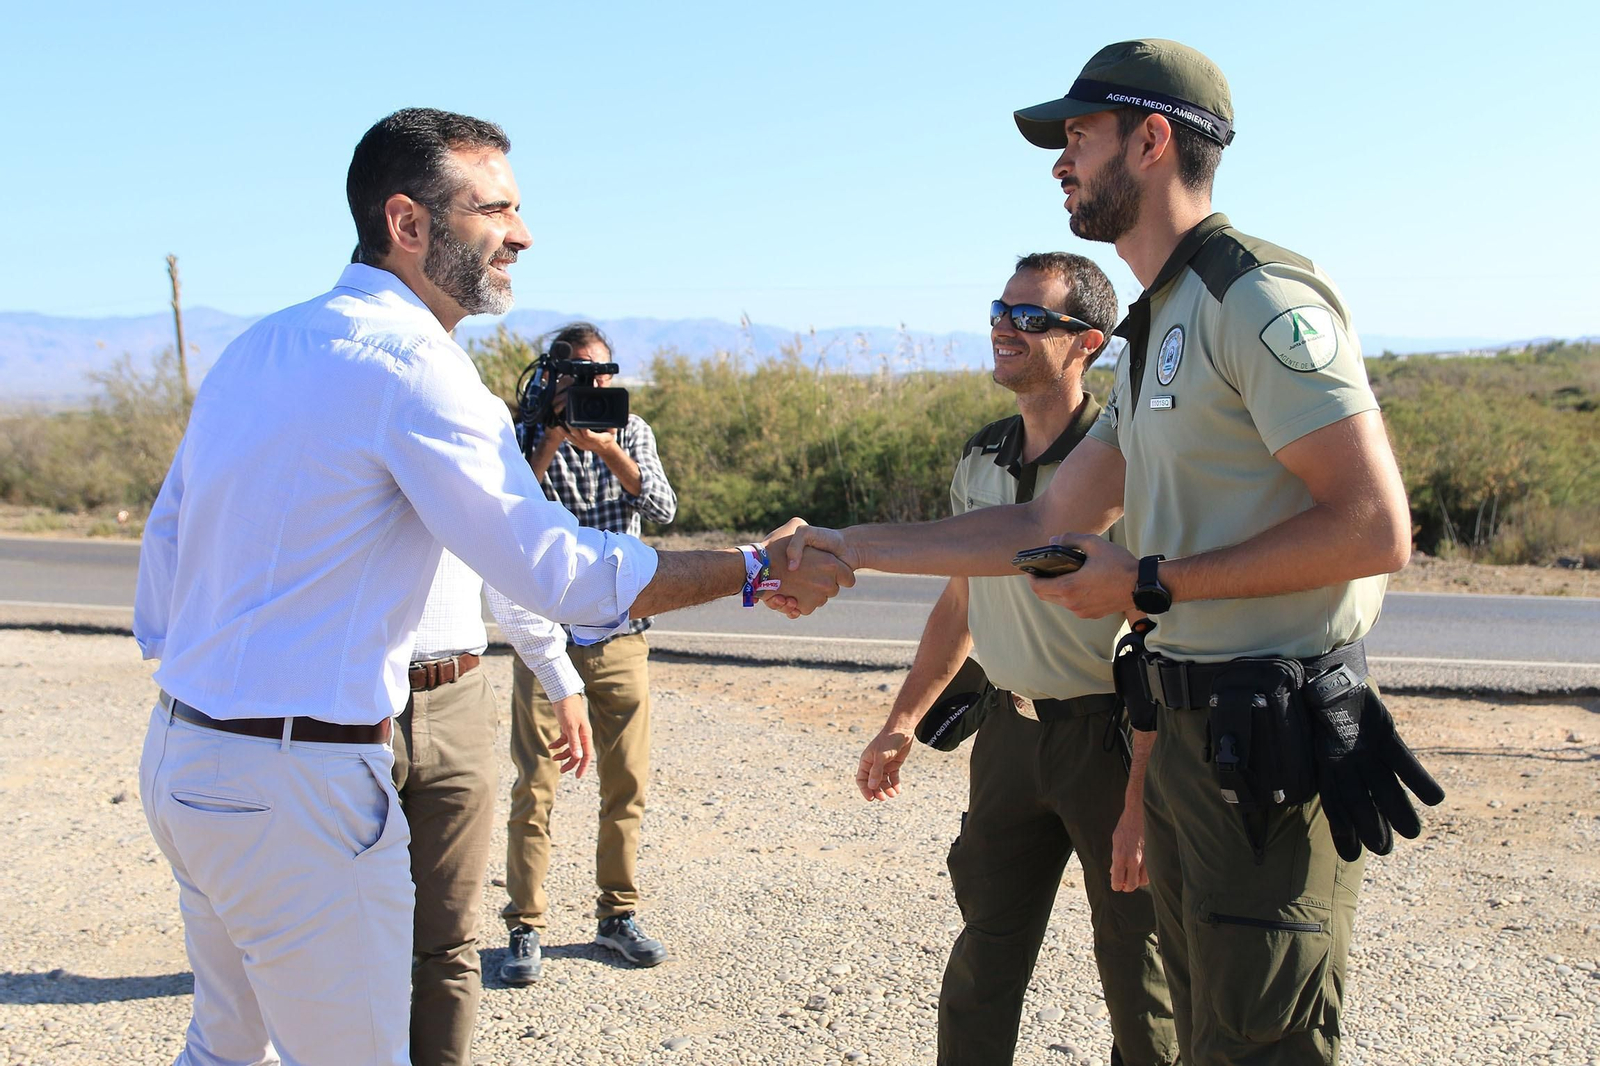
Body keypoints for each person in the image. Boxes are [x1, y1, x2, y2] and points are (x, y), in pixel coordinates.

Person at [133, 106, 851, 1066]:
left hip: (186, 754)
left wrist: (213, 690)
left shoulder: (263, 345)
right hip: (297, 786)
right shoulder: (415, 367)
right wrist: (752, 568)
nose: (523, 234)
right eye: (495, 209)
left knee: (224, 1047)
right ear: (407, 222)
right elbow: (559, 573)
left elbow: (167, 544)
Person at [774, 40, 1442, 1065]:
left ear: (1152, 139)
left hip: (1268, 736)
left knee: (1256, 1039)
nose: (1060, 162)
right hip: (1189, 734)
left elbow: (1373, 527)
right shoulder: (1153, 328)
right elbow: (1040, 524)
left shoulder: (1256, 299)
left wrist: (1150, 582)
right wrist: (846, 546)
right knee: (1195, 1028)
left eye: (1078, 137)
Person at [856, 253, 1178, 1066]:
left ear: (1088, 343)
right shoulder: (982, 456)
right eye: (1001, 311)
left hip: (1110, 741)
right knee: (985, 954)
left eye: (1031, 318)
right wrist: (902, 720)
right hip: (1009, 735)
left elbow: (1161, 631)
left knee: (1138, 966)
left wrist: (1143, 792)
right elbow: (960, 601)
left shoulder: (1124, 461)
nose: (1006, 328)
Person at [500, 322, 678, 980]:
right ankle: (524, 924)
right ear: (554, 376)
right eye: (579, 375)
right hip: (547, 638)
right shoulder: (524, 433)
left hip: (621, 635)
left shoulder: (631, 429)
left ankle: (617, 915)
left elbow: (662, 509)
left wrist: (606, 448)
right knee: (534, 786)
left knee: (626, 783)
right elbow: (504, 516)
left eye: (603, 374)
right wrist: (550, 440)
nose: (594, 385)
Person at [399, 550, 589, 1066]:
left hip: (456, 697)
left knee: (449, 938)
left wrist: (560, 679)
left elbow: (504, 556)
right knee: (349, 930)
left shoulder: (471, 487)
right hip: (348, 701)